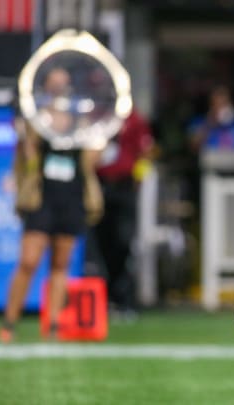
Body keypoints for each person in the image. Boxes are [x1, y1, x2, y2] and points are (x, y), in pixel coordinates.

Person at [0, 67, 104, 343]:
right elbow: (27, 157)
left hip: (71, 197)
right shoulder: (36, 119)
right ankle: (9, 323)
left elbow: (92, 160)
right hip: (42, 198)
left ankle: (54, 326)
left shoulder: (81, 122)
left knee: (61, 265)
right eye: (55, 83)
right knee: (28, 261)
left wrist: (99, 136)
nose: (60, 88)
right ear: (46, 86)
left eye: (64, 83)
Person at [93, 108, 153, 318]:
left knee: (125, 241)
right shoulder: (98, 115)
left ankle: (124, 298)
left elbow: (146, 151)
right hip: (100, 185)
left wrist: (138, 178)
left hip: (124, 186)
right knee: (101, 242)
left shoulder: (134, 117)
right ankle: (104, 299)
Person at [188, 85, 234, 151]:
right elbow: (193, 146)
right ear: (211, 106)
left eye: (225, 104)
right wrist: (209, 123)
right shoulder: (199, 122)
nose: (221, 108)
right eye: (217, 105)